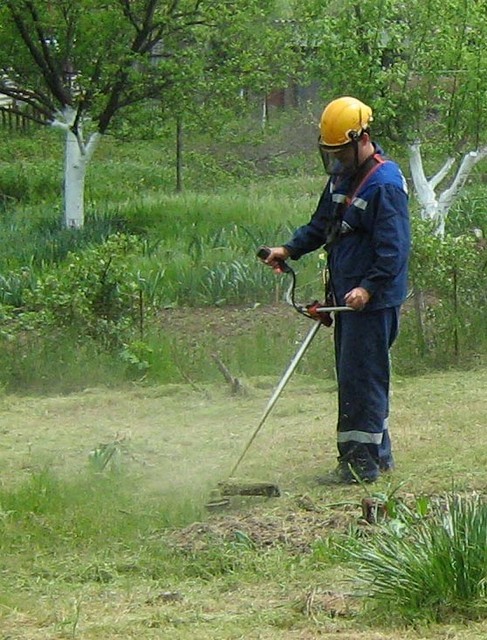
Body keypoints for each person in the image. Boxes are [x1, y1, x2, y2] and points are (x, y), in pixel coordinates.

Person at [261, 96, 410, 484]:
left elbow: (393, 251)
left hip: (370, 303)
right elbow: (321, 225)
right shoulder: (342, 177)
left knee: (362, 379)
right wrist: (288, 249)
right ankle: (379, 457)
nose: (336, 160)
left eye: (341, 151)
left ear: (362, 138)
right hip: (347, 299)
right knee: (359, 377)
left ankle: (359, 467)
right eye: (330, 153)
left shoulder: (386, 185)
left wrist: (367, 288)